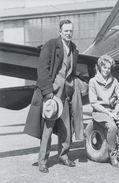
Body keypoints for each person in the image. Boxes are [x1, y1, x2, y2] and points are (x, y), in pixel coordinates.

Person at [24, 19, 84, 173]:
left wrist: (73, 88)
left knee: (66, 128)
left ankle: (63, 156)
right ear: (60, 31)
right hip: (52, 93)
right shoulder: (51, 45)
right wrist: (48, 92)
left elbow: (71, 72)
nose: (69, 33)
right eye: (66, 31)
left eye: (71, 31)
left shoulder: (74, 49)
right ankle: (42, 161)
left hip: (66, 93)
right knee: (48, 128)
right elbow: (42, 69)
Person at [89, 55, 119, 168]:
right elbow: (94, 103)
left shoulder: (114, 81)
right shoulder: (93, 81)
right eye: (104, 67)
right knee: (112, 127)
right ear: (100, 67)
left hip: (113, 110)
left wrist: (115, 111)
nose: (106, 70)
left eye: (109, 68)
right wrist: (108, 113)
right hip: (100, 112)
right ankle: (113, 156)